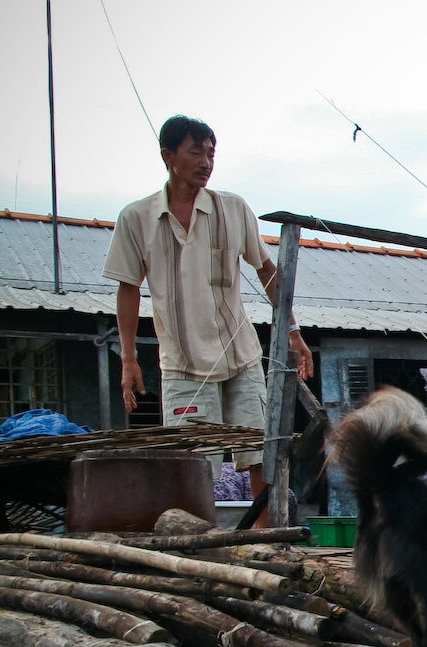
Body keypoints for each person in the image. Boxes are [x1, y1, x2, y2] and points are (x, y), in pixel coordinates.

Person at [102, 114, 313, 521]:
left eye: (211, 153)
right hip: (182, 364)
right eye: (195, 151)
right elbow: (128, 289)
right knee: (192, 462)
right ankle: (197, 552)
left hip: (241, 357)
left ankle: (266, 544)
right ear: (168, 156)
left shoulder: (232, 209)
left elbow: (268, 270)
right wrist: (128, 359)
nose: (206, 161)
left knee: (260, 454)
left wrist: (292, 330)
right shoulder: (137, 218)